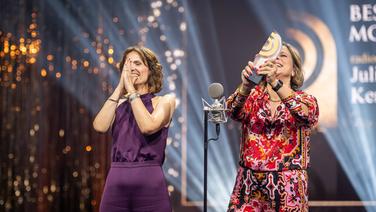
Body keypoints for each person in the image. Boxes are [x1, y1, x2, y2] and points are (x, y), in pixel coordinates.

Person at [226, 42, 319, 211]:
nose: (276, 59)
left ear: (293, 71)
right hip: (249, 184)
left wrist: (275, 82)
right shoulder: (253, 97)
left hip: (288, 185)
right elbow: (232, 111)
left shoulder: (307, 100)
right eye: (273, 56)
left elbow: (305, 114)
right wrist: (246, 86)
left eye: (282, 56)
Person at [93, 46, 176, 212]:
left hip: (149, 183)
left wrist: (131, 91)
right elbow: (99, 126)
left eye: (137, 63)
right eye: (127, 65)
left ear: (150, 70)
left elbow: (148, 126)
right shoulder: (119, 104)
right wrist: (120, 88)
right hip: (116, 182)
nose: (131, 68)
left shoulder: (164, 101)